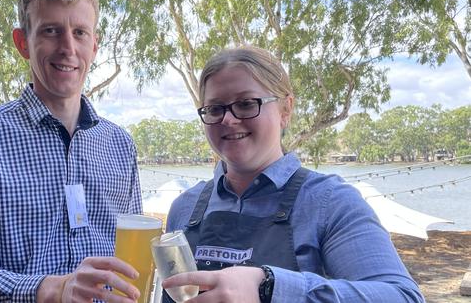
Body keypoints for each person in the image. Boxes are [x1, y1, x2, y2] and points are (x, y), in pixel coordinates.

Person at [160, 46, 425, 303]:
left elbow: (402, 296)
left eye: (246, 103)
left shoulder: (330, 202)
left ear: (285, 110)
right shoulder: (185, 208)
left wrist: (268, 287)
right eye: (215, 108)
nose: (228, 119)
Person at [0, 0, 143, 303]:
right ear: (22, 43)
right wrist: (53, 290)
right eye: (51, 31)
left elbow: (132, 260)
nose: (68, 47)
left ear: (94, 45)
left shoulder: (120, 145)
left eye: (80, 32)